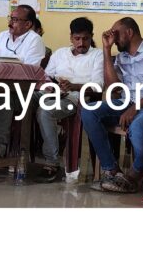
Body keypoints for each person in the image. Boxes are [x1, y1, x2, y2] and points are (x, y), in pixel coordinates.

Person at [82, 17, 143, 194]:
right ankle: (112, 171)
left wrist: (135, 108)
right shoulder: (121, 57)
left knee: (138, 128)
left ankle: (133, 176)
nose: (113, 38)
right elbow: (114, 89)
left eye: (116, 34)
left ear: (129, 32)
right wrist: (106, 49)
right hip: (126, 102)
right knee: (89, 110)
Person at [34, 17, 104, 182]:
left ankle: (51, 163)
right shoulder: (60, 53)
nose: (81, 43)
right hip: (54, 93)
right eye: (77, 38)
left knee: (45, 111)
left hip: (76, 98)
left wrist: (74, 86)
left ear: (91, 37)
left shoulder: (97, 55)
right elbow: (46, 76)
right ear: (71, 37)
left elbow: (98, 86)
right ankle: (5, 152)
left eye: (85, 38)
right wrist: (51, 87)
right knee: (18, 98)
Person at [0, 4, 46, 158]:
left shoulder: (34, 40)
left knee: (5, 97)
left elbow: (30, 71)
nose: (10, 23)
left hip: (21, 92)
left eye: (15, 20)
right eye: (11, 18)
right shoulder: (2, 36)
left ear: (28, 24)